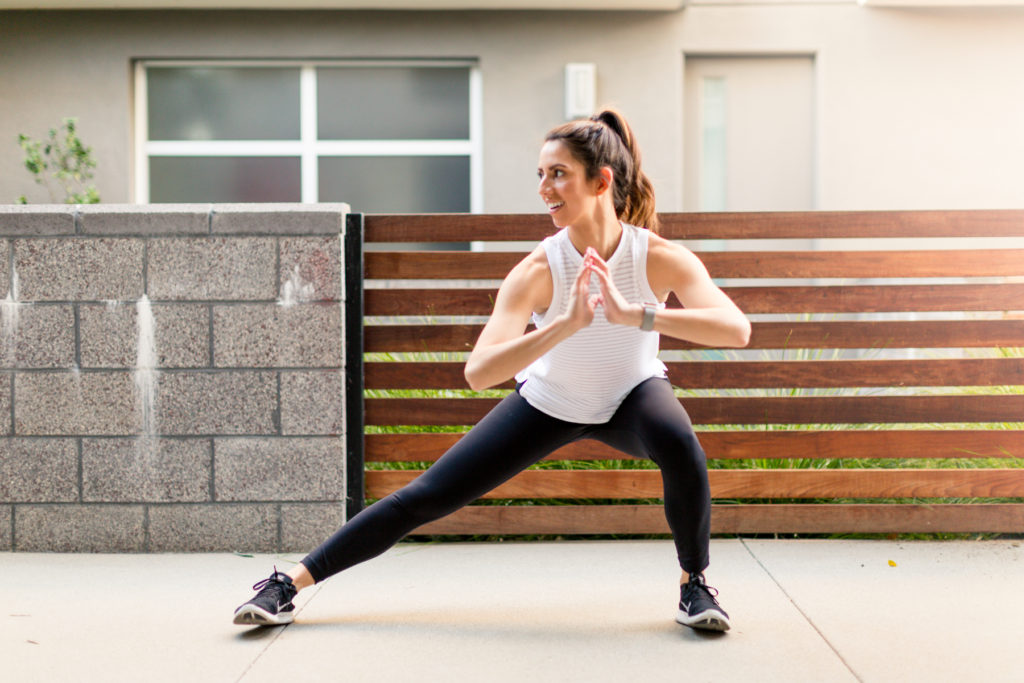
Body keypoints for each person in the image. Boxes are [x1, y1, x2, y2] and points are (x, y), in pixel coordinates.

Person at [233, 109, 751, 633]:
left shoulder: (657, 256)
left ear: (602, 181)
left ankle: (694, 586)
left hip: (633, 395)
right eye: (541, 175)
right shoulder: (538, 270)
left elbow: (736, 330)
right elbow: (479, 371)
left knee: (678, 440)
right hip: (551, 403)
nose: (545, 188)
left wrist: (633, 314)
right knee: (428, 495)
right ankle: (287, 585)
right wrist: (562, 325)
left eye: (558, 174)